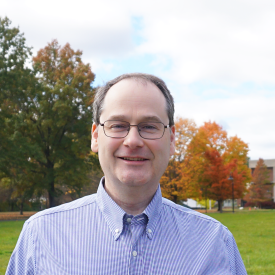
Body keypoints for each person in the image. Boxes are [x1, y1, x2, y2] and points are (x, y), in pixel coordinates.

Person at [6, 73, 247, 275]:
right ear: (95, 136)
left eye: (149, 126)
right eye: (118, 125)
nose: (133, 141)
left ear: (172, 139)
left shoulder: (214, 243)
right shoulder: (41, 236)